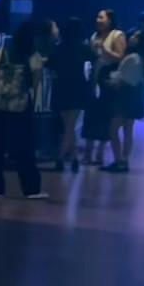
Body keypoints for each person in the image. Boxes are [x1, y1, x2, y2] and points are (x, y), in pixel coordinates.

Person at [0, 20, 46, 199]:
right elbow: (36, 82)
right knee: (24, 148)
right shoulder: (33, 56)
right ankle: (31, 188)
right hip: (20, 107)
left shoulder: (4, 51)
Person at [108, 11, 144, 172]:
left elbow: (124, 79)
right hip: (135, 98)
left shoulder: (133, 58)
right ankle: (125, 160)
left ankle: (118, 160)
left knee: (113, 130)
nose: (131, 37)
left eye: (136, 36)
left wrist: (111, 80)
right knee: (128, 130)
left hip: (125, 97)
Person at [49, 16, 91, 172]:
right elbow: (95, 58)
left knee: (68, 124)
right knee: (71, 126)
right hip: (78, 86)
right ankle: (66, 158)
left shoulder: (60, 47)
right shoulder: (83, 47)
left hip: (62, 86)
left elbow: (51, 64)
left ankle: (70, 158)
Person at [85, 9, 126, 166]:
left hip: (108, 82)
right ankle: (88, 152)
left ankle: (100, 154)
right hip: (93, 80)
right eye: (97, 17)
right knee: (90, 116)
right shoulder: (94, 36)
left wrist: (105, 49)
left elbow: (121, 58)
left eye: (101, 17)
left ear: (110, 20)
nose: (98, 20)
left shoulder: (117, 35)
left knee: (104, 117)